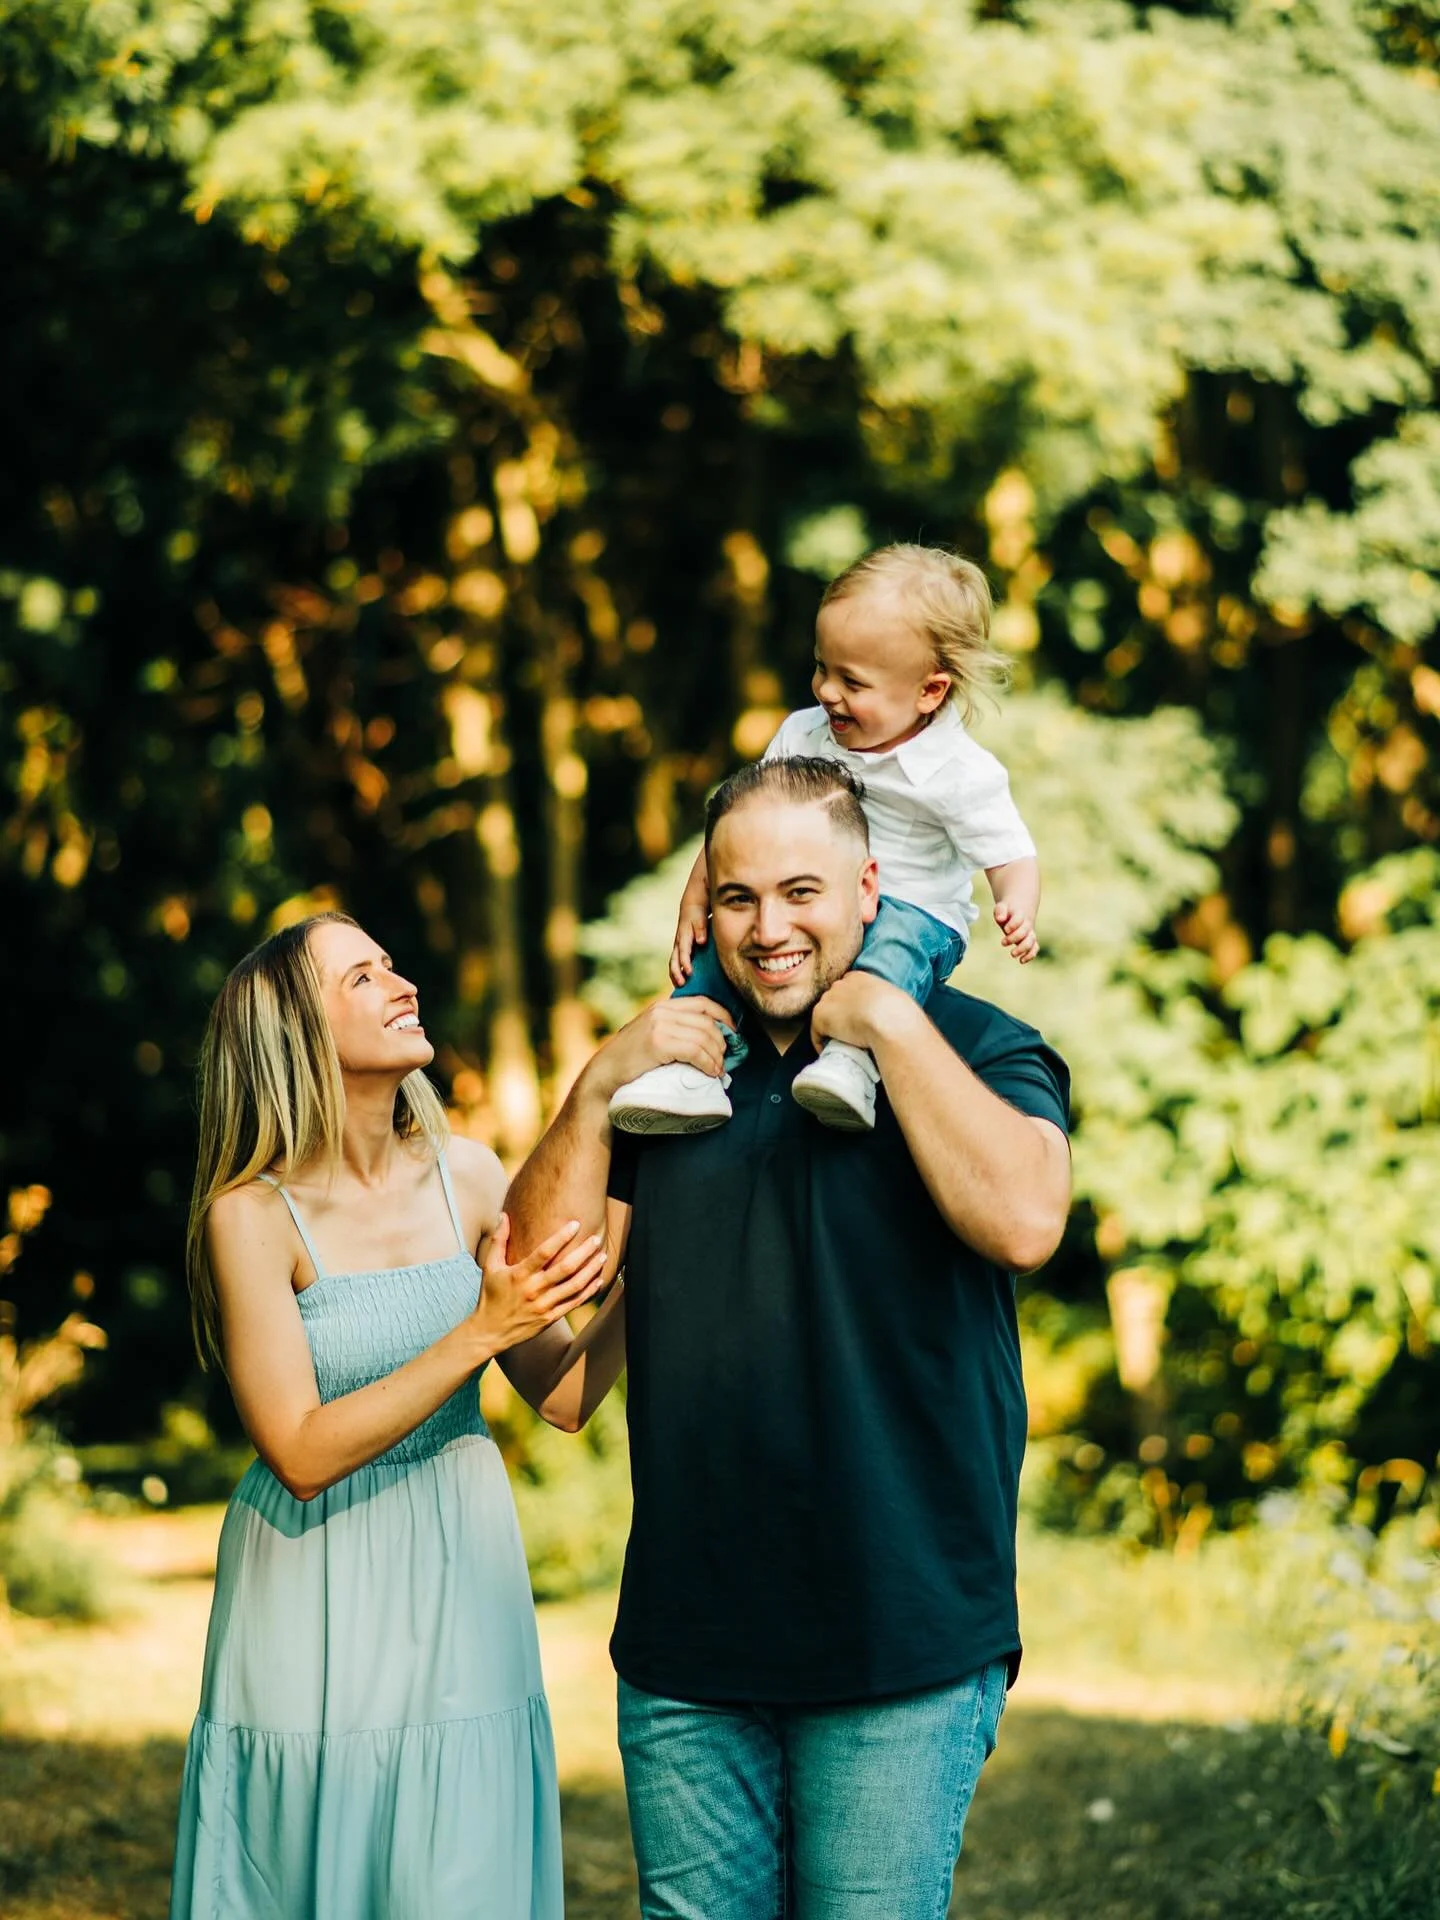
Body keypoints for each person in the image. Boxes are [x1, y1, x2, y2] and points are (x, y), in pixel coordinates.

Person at [505, 758, 1071, 1920]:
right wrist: (606, 1073)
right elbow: (529, 1300)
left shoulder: (977, 1045)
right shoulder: (672, 1085)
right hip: (689, 1648)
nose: (771, 930)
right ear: (702, 909)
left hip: (900, 1636)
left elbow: (1023, 1221)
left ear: (872, 888)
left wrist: (888, 1024)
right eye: (738, 898)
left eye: (802, 893)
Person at [170, 912, 627, 1920]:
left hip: (460, 1557)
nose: (403, 983)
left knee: (459, 1862)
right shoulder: (249, 1214)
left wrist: (645, 1276)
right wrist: (478, 1331)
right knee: (312, 1856)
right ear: (294, 1033)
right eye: (363, 977)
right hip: (312, 1575)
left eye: (392, 962)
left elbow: (561, 1395)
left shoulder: (465, 1175)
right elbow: (294, 1447)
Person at [608, 543, 1040, 1136]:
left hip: (916, 911)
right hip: (803, 900)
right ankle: (691, 1069)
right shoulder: (803, 733)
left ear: (929, 692)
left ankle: (852, 1063)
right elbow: (744, 821)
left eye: (852, 682)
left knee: (892, 949)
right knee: (716, 956)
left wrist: (1016, 904)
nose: (826, 692)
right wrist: (697, 897)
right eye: (821, 667)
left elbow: (1011, 855)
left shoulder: (961, 772)